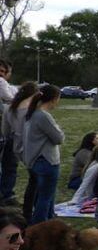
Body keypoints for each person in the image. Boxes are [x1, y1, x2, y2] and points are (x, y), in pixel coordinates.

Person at [22, 84, 64, 225]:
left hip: (35, 160)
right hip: (46, 161)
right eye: (58, 98)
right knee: (45, 197)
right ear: (53, 99)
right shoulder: (43, 116)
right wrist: (59, 129)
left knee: (47, 195)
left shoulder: (32, 113)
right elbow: (59, 138)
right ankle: (40, 226)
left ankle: (50, 220)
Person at [1, 82, 37, 218]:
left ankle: (10, 198)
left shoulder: (9, 109)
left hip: (14, 144)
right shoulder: (32, 110)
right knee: (35, 179)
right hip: (31, 145)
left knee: (11, 170)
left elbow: (5, 131)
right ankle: (30, 209)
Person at [0, 61, 19, 207]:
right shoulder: (2, 84)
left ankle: (7, 195)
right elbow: (12, 98)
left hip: (9, 131)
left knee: (10, 165)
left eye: (3, 71)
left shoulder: (9, 86)